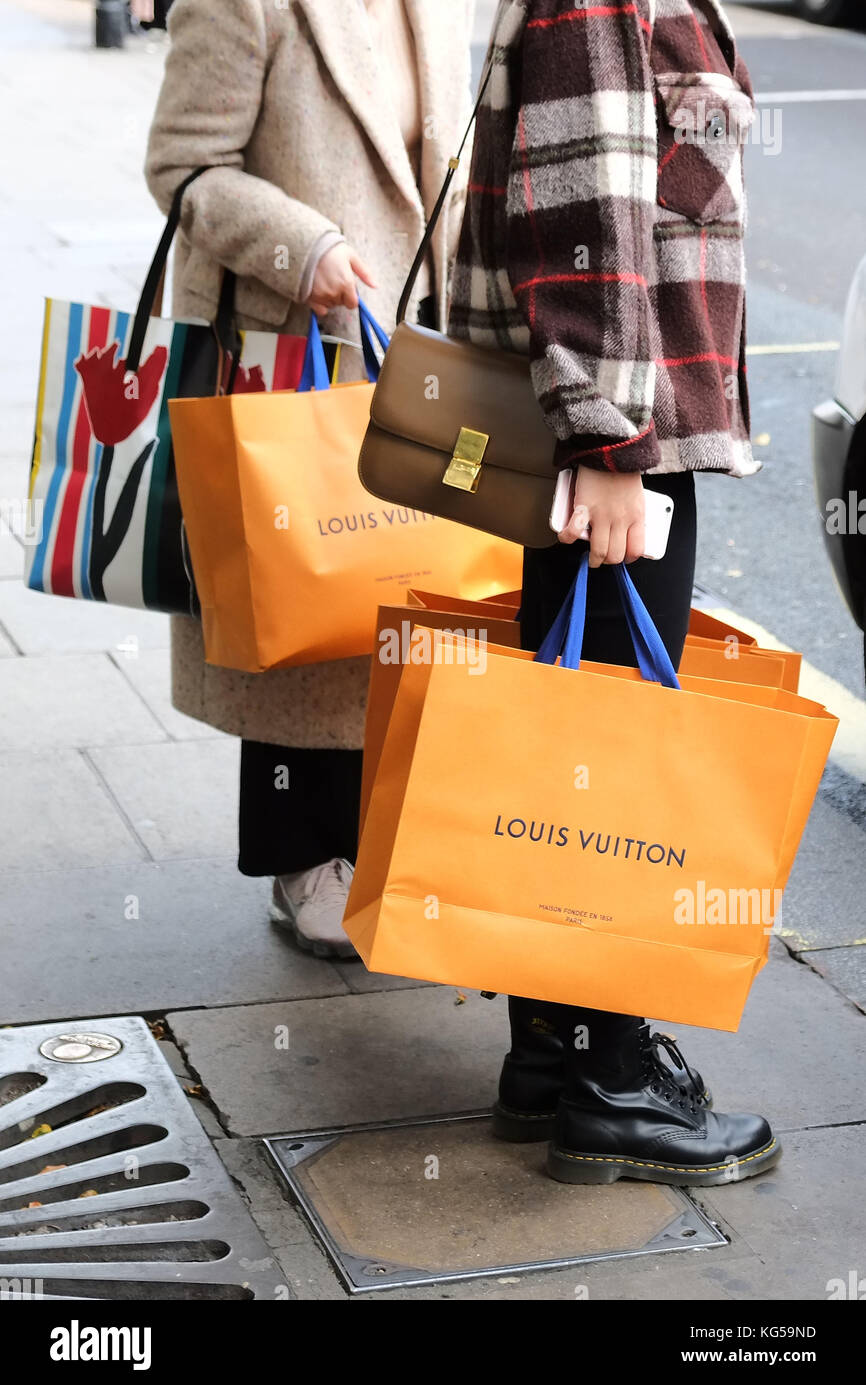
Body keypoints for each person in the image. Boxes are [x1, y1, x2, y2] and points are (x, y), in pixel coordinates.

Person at [448, 0, 780, 1185]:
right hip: (626, 433)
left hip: (619, 427)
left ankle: (552, 1046)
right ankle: (608, 1076)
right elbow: (587, 207)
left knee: (571, 737)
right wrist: (609, 441)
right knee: (607, 756)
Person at [145, 0, 474, 958]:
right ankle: (306, 858)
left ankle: (385, 840)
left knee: (406, 598)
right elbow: (183, 168)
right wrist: (302, 245)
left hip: (422, 349)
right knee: (302, 606)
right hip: (292, 351)